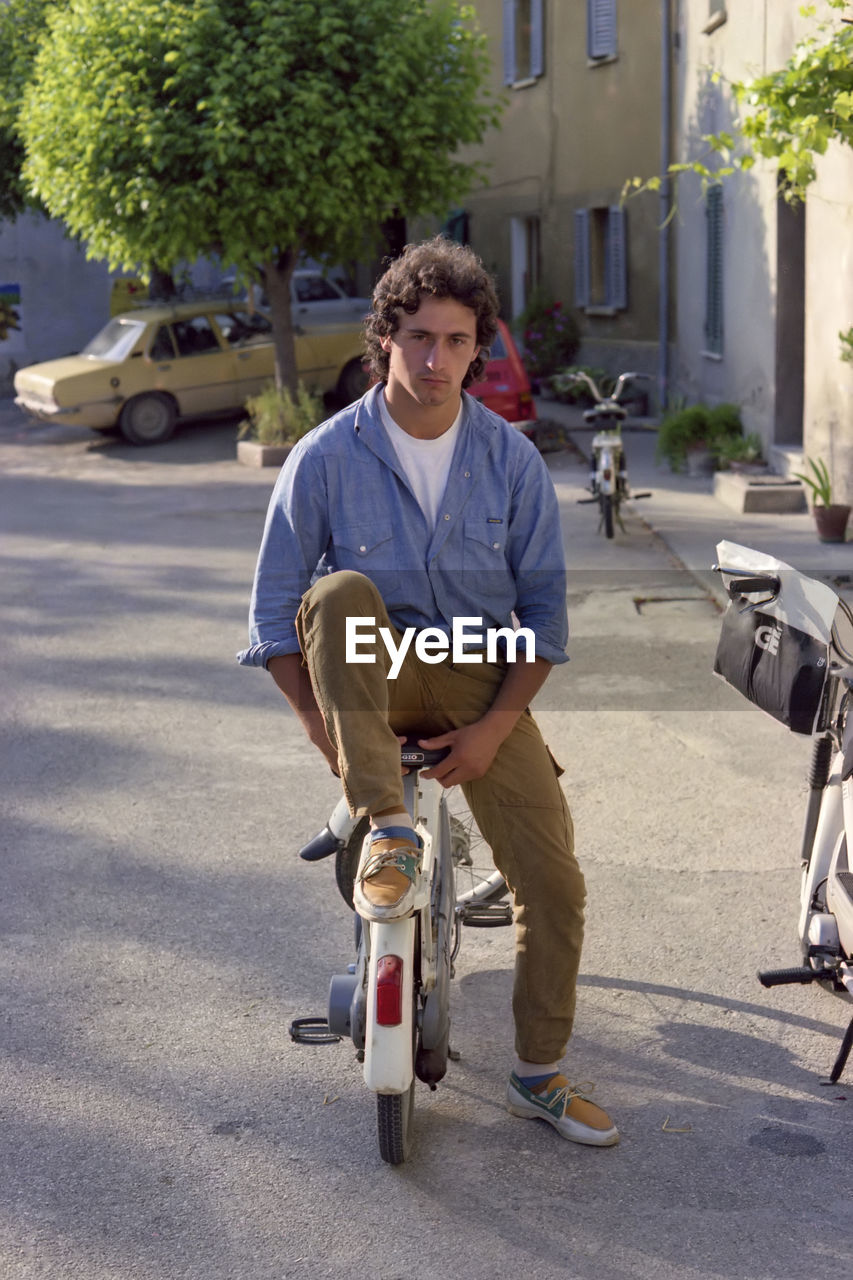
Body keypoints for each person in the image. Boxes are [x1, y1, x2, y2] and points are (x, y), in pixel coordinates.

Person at [237, 237, 617, 1147]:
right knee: (336, 593)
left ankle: (537, 1076)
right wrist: (327, 737)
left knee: (555, 885)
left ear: (476, 347)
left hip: (483, 682)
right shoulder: (325, 457)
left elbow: (543, 621)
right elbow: (273, 619)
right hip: (374, 672)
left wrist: (492, 730)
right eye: (417, 337)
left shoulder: (511, 461)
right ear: (385, 339)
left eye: (454, 340)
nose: (435, 359)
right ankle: (389, 831)